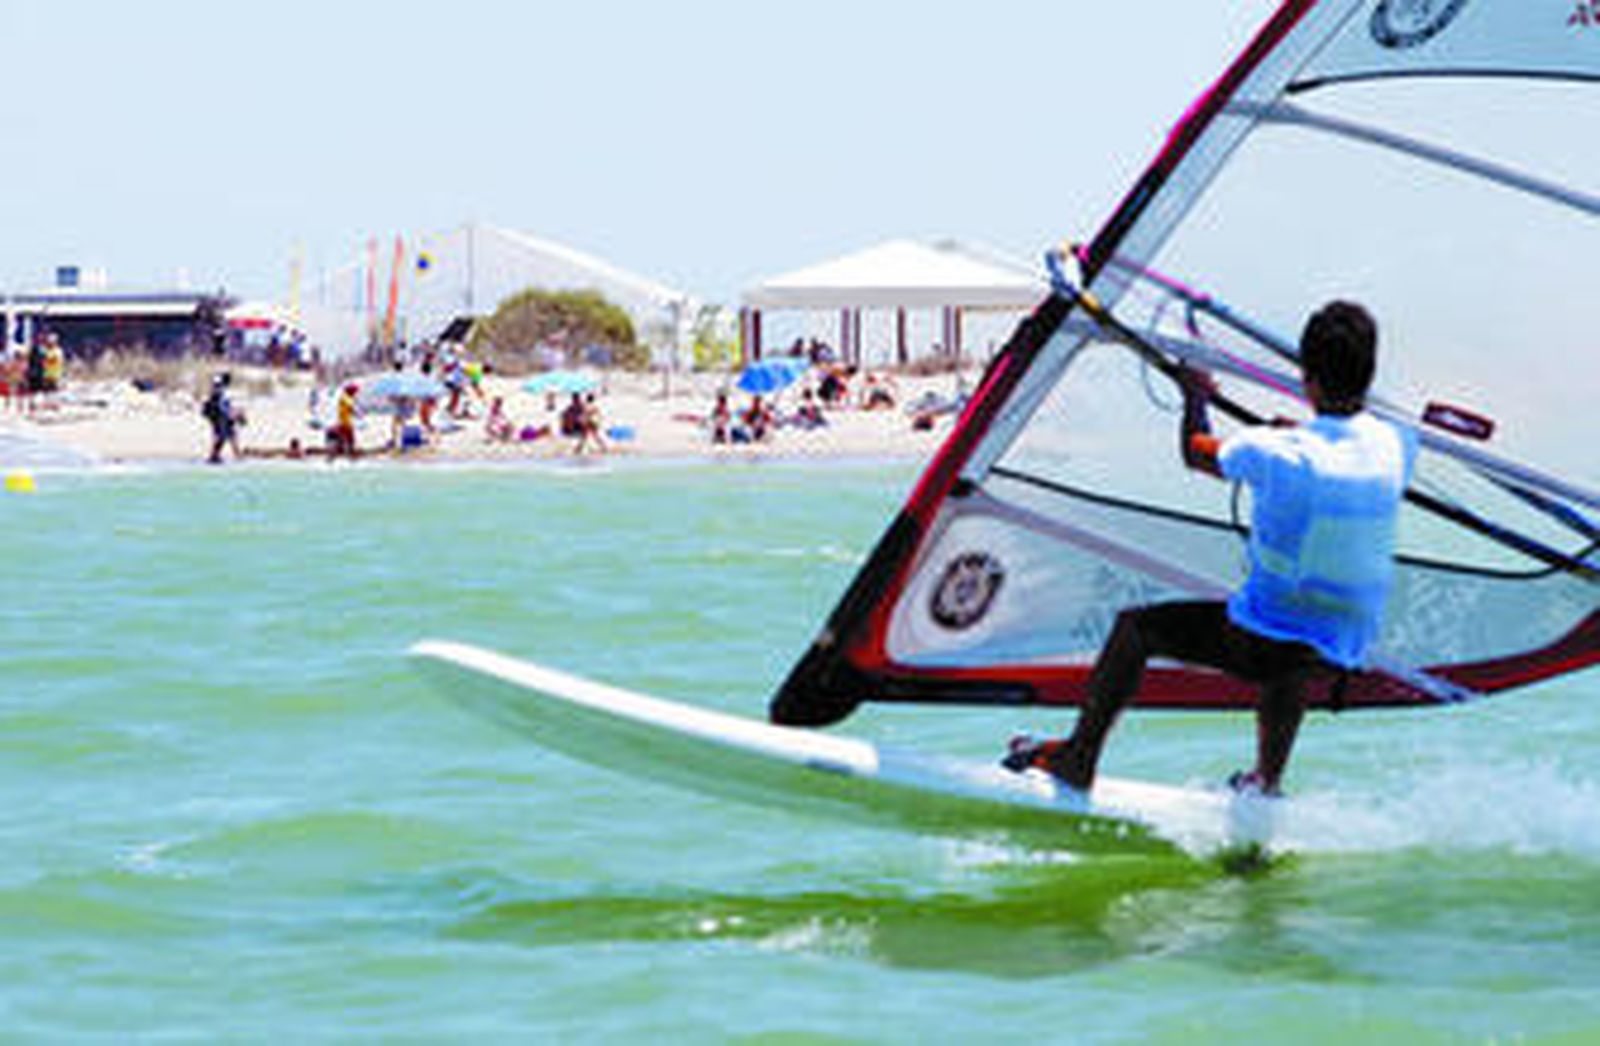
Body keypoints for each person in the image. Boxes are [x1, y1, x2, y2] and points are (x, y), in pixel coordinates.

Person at [1004, 301, 1417, 797]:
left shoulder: (1275, 451)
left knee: (1136, 630)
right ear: (1368, 373)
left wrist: (1193, 395)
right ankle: (1266, 781)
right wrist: (1297, 434)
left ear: (1308, 379)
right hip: (1346, 640)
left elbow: (1197, 450)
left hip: (1272, 639)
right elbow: (1334, 455)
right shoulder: (1396, 444)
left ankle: (1078, 757)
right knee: (1293, 643)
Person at [202, 372, 242, 464]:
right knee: (223, 436)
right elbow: (221, 405)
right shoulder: (220, 389)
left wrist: (233, 414)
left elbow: (224, 404)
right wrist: (233, 414)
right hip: (219, 416)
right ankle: (214, 456)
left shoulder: (221, 388)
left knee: (230, 434)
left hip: (219, 415)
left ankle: (236, 454)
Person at [329, 382, 360, 459]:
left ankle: (333, 456)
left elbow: (350, 409)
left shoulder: (345, 397)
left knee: (344, 440)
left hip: (344, 421)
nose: (355, 393)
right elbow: (351, 408)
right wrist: (357, 413)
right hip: (345, 422)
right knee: (350, 440)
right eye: (354, 391)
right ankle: (350, 456)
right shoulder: (346, 398)